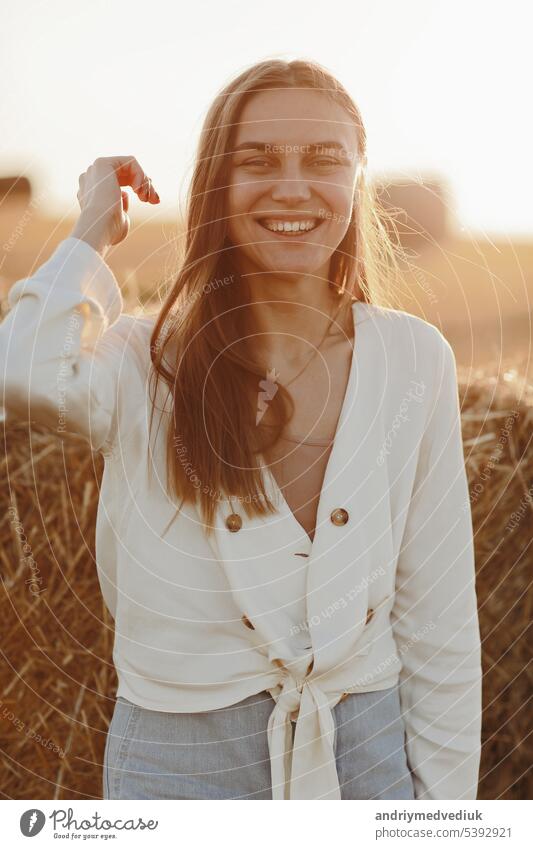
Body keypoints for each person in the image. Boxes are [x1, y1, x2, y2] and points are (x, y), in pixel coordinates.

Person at [0, 58, 482, 800]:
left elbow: (438, 617)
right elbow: (21, 376)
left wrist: (443, 812)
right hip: (176, 760)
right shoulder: (141, 357)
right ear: (215, 187)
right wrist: (91, 231)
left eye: (323, 160)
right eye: (256, 160)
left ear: (357, 178)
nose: (292, 186)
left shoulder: (415, 358)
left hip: (364, 753)